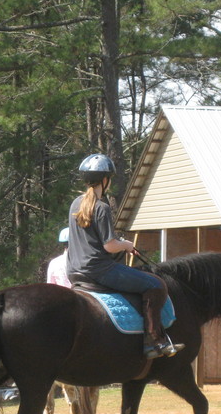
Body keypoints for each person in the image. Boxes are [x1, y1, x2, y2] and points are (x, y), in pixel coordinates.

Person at [66, 153, 184, 359]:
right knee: (155, 285)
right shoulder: (101, 207)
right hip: (99, 271)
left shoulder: (76, 204)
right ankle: (154, 340)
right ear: (105, 180)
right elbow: (110, 246)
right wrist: (126, 244)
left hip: (75, 271)